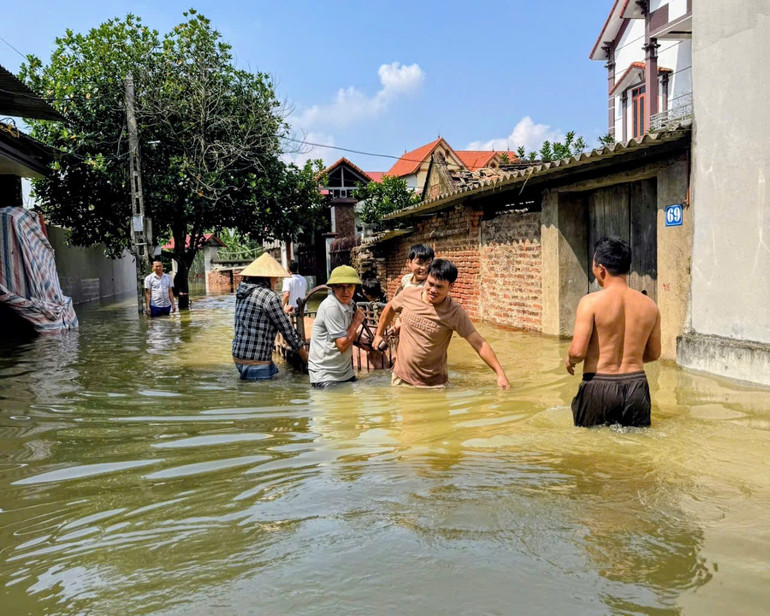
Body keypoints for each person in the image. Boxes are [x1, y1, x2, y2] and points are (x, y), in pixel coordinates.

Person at [566, 236, 661, 427]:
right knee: (636, 443)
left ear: (600, 269)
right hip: (636, 388)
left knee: (592, 443)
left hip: (599, 386)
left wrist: (570, 360)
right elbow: (653, 354)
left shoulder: (590, 302)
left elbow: (577, 352)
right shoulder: (650, 306)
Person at [372, 259, 510, 389]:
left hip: (433, 385)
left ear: (451, 286)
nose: (433, 290)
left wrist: (500, 374)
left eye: (439, 287)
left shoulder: (454, 312)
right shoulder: (408, 294)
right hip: (401, 380)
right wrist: (379, 334)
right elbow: (390, 308)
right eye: (430, 284)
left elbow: (478, 342)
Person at [232, 253, 308, 381]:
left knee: (274, 374)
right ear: (265, 278)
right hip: (256, 360)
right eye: (275, 277)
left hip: (239, 355)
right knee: (264, 391)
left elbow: (257, 316)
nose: (277, 280)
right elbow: (288, 332)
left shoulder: (242, 291)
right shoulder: (270, 296)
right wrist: (306, 358)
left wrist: (281, 311)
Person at [308, 265, 365, 388]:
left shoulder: (350, 303)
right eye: (340, 287)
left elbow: (348, 333)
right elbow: (342, 345)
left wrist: (367, 343)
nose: (346, 291)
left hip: (345, 372)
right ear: (333, 288)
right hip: (326, 374)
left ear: (355, 287)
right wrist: (356, 321)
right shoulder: (331, 307)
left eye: (350, 286)